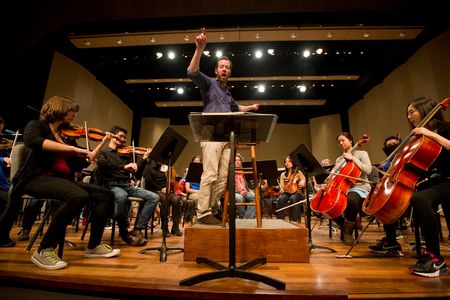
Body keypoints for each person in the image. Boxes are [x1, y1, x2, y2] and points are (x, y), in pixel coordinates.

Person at [0, 96, 120, 269]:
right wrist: (72, 149)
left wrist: (99, 146)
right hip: (33, 179)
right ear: (60, 109)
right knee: (78, 196)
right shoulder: (37, 126)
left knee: (105, 194)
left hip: (60, 180)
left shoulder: (66, 136)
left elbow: (79, 164)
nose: (74, 116)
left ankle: (93, 246)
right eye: (72, 111)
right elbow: (33, 141)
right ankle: (44, 249)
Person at [187, 28, 260, 225]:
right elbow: (192, 72)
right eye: (221, 66)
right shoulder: (209, 84)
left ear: (230, 71)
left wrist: (251, 107)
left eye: (227, 67)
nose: (224, 69)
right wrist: (199, 49)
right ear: (216, 70)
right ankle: (202, 212)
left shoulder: (228, 94)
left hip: (228, 139)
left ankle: (209, 208)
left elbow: (237, 108)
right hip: (210, 135)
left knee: (223, 178)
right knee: (210, 173)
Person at [384, 97, 449, 277]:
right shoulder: (419, 136)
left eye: (412, 111)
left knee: (419, 198)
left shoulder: (445, 128)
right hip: (436, 180)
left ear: (424, 109)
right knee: (400, 196)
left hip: (448, 180)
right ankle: (391, 242)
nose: (409, 116)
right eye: (407, 113)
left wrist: (431, 134)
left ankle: (436, 259)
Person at [96, 126, 159, 246]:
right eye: (120, 136)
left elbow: (136, 173)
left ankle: (137, 229)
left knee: (154, 197)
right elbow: (106, 166)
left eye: (125, 137)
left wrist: (144, 159)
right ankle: (124, 232)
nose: (123, 139)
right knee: (122, 196)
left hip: (127, 185)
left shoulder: (126, 154)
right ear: (113, 136)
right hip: (112, 185)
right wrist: (123, 167)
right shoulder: (104, 153)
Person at [331, 132, 373, 246]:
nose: (341, 143)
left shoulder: (361, 153)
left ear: (350, 141)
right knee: (325, 204)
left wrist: (353, 158)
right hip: (343, 188)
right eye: (339, 142)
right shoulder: (339, 159)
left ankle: (348, 232)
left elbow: (368, 170)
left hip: (360, 187)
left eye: (343, 140)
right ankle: (345, 225)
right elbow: (337, 176)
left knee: (351, 200)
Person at [368, 134, 405, 257]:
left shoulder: (406, 157)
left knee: (388, 203)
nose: (392, 147)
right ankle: (391, 241)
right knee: (384, 203)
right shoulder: (387, 163)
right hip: (393, 191)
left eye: (394, 144)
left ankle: (392, 239)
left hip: (404, 189)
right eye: (389, 146)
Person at [142, 158, 183, 237]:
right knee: (165, 199)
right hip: (154, 190)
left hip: (165, 190)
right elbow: (149, 182)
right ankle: (164, 227)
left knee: (176, 199)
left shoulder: (165, 166)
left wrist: (168, 186)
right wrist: (161, 189)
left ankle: (175, 227)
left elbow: (169, 180)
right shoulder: (149, 166)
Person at [276, 156, 306, 222]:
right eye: (285, 162)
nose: (287, 163)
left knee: (293, 198)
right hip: (287, 192)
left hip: (298, 193)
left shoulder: (298, 172)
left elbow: (304, 182)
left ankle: (294, 220)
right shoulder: (283, 174)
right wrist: (281, 190)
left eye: (289, 161)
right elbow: (282, 186)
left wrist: (303, 182)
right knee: (281, 198)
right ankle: (280, 219)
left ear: (293, 162)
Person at [234, 153, 256, 219]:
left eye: (239, 160)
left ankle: (246, 219)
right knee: (239, 198)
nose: (237, 161)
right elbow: (229, 187)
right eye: (235, 160)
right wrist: (240, 191)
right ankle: (242, 217)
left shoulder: (245, 172)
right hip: (235, 193)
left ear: (241, 162)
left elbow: (250, 185)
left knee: (254, 196)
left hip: (245, 192)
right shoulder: (230, 172)